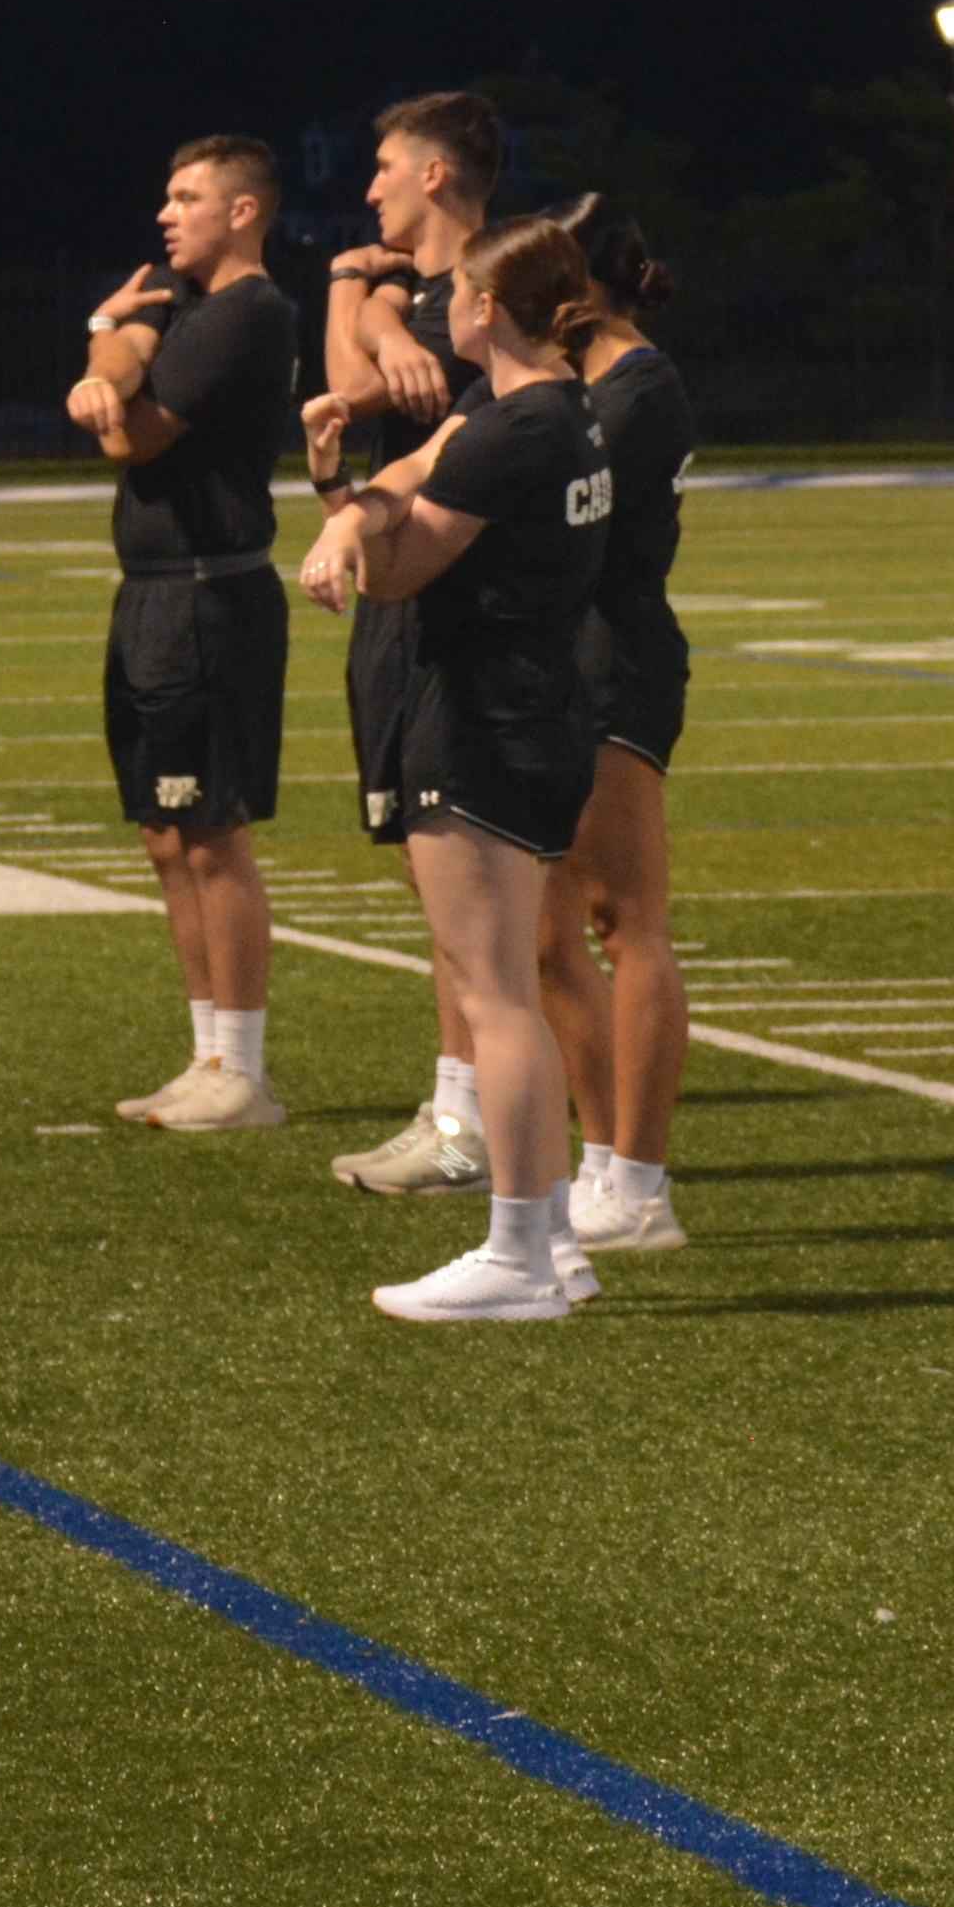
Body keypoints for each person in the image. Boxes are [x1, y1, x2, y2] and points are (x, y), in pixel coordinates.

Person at [297, 215, 616, 1325]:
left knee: (496, 996)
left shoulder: (509, 429)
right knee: (506, 981)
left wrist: (339, 516)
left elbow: (402, 570)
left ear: (487, 309)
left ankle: (520, 1251)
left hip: (480, 717)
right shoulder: (563, 412)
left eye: (459, 297)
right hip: (544, 710)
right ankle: (559, 1239)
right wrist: (351, 505)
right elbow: (417, 477)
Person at [69, 134, 299, 1133]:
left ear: (242, 210)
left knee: (212, 833)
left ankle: (243, 1068)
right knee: (166, 835)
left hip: (210, 592)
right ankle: (206, 1054)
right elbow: (119, 357)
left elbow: (134, 429)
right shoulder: (182, 302)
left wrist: (113, 351)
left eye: (189, 195)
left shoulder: (245, 311)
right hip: (154, 591)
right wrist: (111, 333)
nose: (167, 212)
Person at [303, 91, 501, 1199]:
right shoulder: (419, 293)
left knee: (476, 894)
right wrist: (372, 304)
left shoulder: (479, 294)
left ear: (434, 175)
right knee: (443, 887)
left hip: (447, 598)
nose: (368, 184)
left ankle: (479, 1122)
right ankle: (458, 1106)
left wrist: (355, 300)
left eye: (384, 165)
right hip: (402, 585)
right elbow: (354, 386)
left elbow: (346, 392)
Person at [541, 196, 696, 1258]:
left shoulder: (638, 389)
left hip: (613, 656)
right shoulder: (579, 384)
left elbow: (546, 510)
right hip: (552, 656)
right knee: (548, 927)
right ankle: (602, 1161)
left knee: (621, 916)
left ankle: (639, 1181)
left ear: (577, 289)